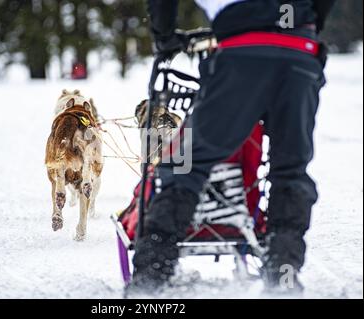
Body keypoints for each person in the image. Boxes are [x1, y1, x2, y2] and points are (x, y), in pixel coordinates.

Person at [131, 0, 336, 293]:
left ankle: (150, 278)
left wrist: (164, 36)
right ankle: (283, 275)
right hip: (299, 53)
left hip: (241, 51)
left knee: (185, 163)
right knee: (290, 170)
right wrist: (307, 24)